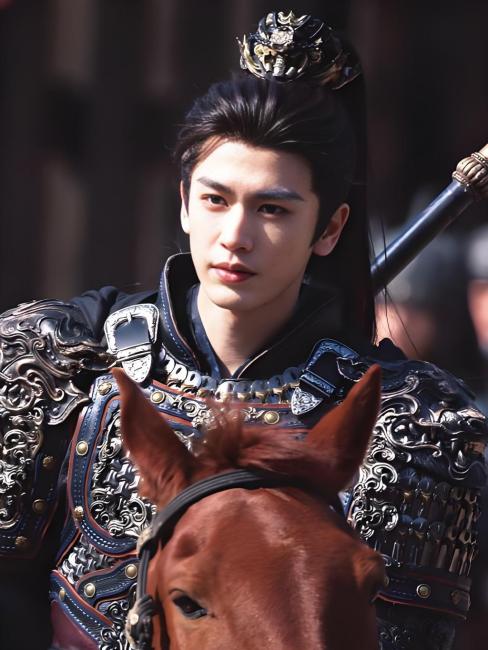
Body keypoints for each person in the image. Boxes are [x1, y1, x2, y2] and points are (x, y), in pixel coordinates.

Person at [0, 11, 486, 650]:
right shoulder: (59, 361)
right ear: (183, 202)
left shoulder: (412, 424)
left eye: (272, 209)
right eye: (215, 199)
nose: (236, 236)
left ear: (330, 228)